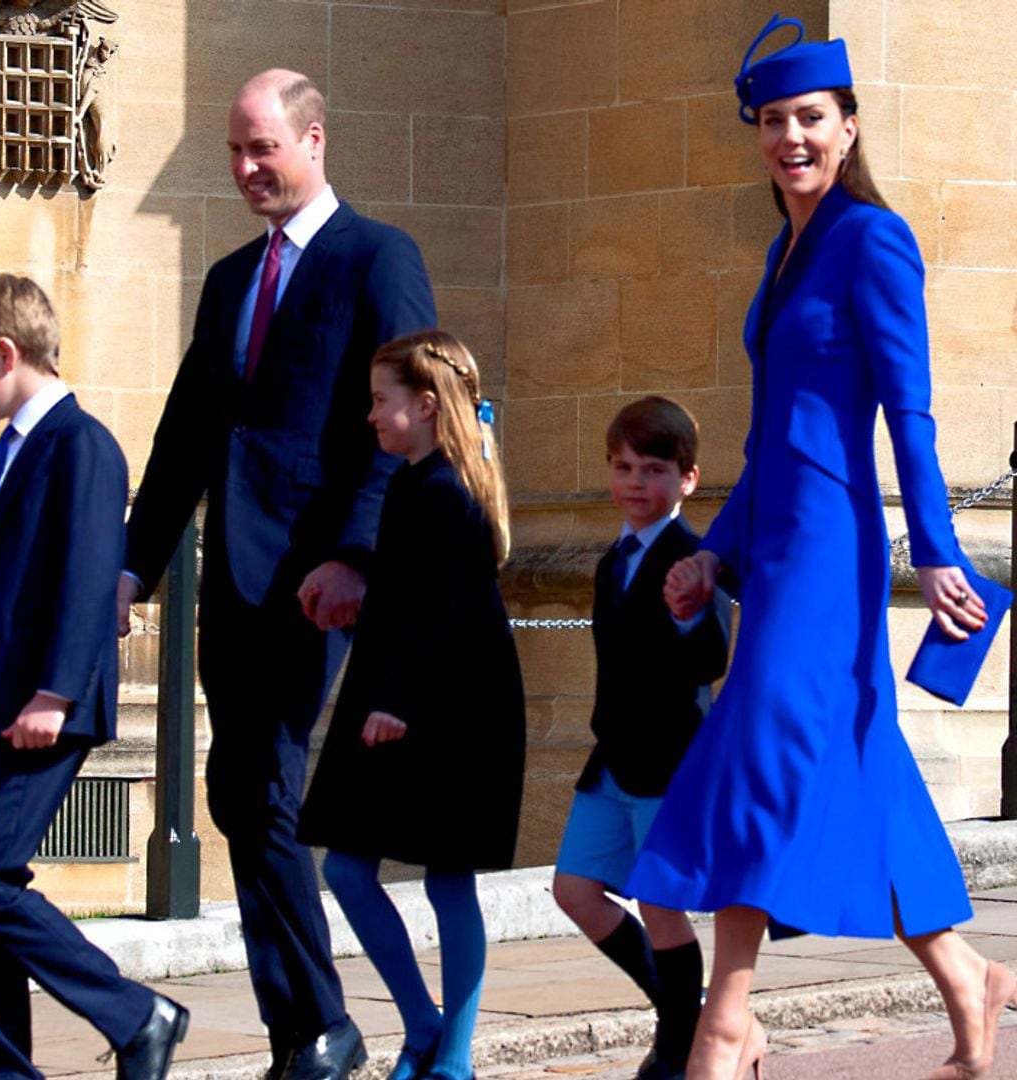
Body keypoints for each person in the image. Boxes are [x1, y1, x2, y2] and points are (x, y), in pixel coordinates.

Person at [624, 16, 1015, 1080]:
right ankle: (970, 978)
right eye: (776, 121)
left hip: (835, 548)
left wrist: (934, 550)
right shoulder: (782, 248)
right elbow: (770, 432)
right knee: (859, 763)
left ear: (848, 129)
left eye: (812, 119)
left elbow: (910, 413)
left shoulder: (871, 239)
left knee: (759, 745)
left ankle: (727, 1019)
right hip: (780, 537)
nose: (791, 137)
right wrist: (711, 549)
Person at [116, 71, 435, 1080]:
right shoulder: (226, 281)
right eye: (235, 152)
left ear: (314, 140)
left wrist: (357, 555)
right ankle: (303, 1029)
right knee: (235, 793)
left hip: (317, 579)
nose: (248, 169)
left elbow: (412, 423)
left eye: (264, 149)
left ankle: (326, 1029)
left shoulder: (379, 257)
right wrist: (131, 565)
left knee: (265, 784)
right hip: (231, 584)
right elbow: (184, 439)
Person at [0, 274, 188, 1080]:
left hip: (40, 705)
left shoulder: (80, 446)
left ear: (5, 354)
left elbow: (87, 579)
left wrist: (55, 693)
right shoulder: (15, 448)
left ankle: (135, 1013)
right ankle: (4, 1070)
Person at [298, 330, 526, 1080]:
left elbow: (448, 614)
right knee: (348, 869)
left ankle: (452, 1053)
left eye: (380, 401)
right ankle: (422, 1023)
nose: (370, 416)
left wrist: (396, 700)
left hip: (449, 707)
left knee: (446, 877)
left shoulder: (451, 492)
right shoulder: (410, 484)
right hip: (392, 692)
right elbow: (405, 598)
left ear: (425, 405)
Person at [552, 396, 730, 1080]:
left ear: (687, 478)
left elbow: (711, 656)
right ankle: (692, 1011)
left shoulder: (694, 556)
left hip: (670, 757)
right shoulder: (610, 562)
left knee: (660, 903)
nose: (635, 481)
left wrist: (687, 610)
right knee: (576, 891)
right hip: (612, 759)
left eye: (654, 469)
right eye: (623, 466)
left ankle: (680, 1044)